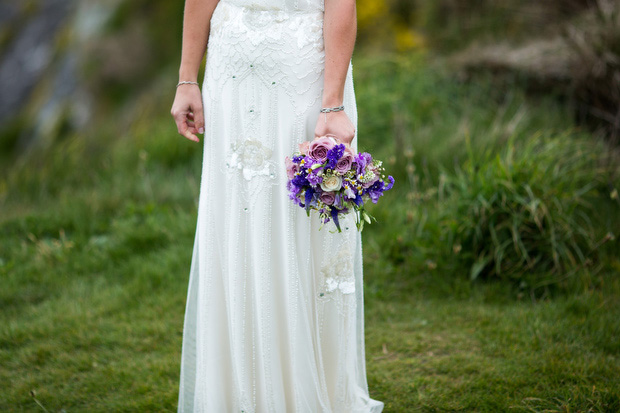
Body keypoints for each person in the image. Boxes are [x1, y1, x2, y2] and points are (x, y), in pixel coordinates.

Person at [170, 0, 384, 411]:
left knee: (294, 222)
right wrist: (186, 78)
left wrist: (333, 102)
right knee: (239, 221)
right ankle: (238, 392)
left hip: (303, 74)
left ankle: (302, 388)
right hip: (231, 70)